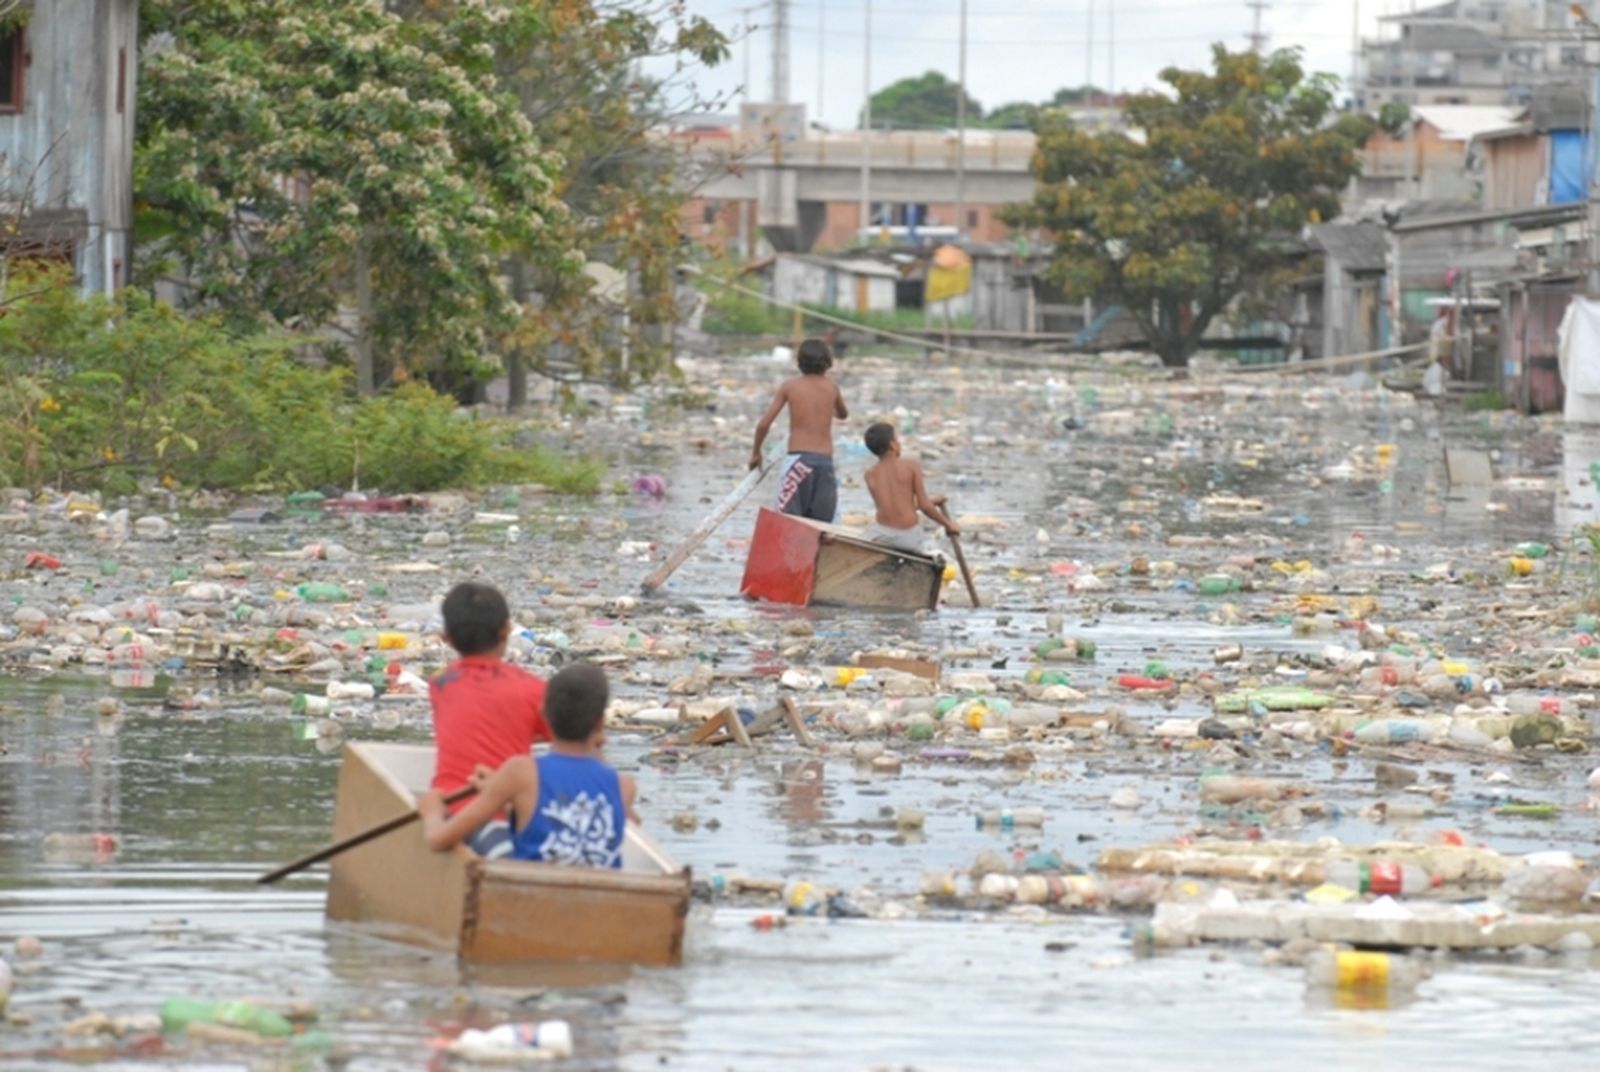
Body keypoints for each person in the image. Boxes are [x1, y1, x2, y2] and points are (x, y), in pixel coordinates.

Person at [418, 663, 638, 869]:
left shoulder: (520, 773)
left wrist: (432, 811)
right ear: (600, 723)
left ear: (543, 713)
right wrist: (500, 792)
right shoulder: (623, 786)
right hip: (601, 904)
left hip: (531, 900)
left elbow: (438, 840)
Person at [428, 581, 551, 859]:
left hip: (449, 806)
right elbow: (566, 739)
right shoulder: (534, 690)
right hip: (498, 814)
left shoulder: (440, 684)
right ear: (506, 630)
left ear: (447, 637)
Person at [749, 338, 848, 523]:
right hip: (825, 463)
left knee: (787, 521)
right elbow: (843, 414)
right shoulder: (831, 387)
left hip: (798, 461)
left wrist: (756, 452)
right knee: (823, 525)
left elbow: (764, 424)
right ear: (827, 363)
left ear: (799, 363)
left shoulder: (790, 386)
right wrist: (826, 407)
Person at [861, 421, 958, 553]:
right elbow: (925, 506)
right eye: (897, 440)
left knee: (867, 532)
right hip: (908, 536)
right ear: (892, 445)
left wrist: (933, 501)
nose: (900, 443)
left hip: (881, 535)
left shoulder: (870, 474)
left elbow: (892, 507)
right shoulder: (910, 466)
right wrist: (948, 524)